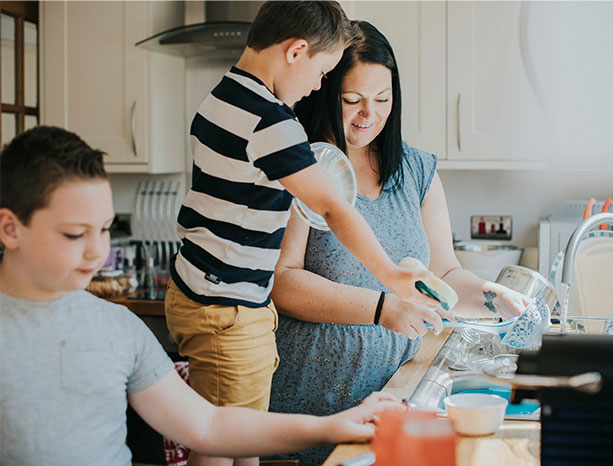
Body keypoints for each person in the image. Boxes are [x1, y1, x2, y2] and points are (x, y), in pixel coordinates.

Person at [0, 126, 403, 466]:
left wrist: (331, 425)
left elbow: (208, 425)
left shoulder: (118, 327)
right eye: (75, 234)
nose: (98, 252)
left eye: (105, 229)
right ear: (10, 228)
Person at [164, 3, 439, 466]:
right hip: (229, 310)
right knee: (223, 443)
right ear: (296, 52)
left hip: (198, 295)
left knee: (239, 442)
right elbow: (332, 206)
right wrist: (390, 274)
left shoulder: (222, 96)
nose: (318, 86)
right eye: (323, 72)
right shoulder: (273, 122)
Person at [268, 21, 532, 465]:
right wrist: (382, 307)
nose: (368, 114)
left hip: (397, 392)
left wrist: (490, 294)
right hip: (314, 396)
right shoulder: (306, 165)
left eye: (382, 100)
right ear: (324, 91)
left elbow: (444, 274)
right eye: (352, 100)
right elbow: (284, 281)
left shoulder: (416, 171)